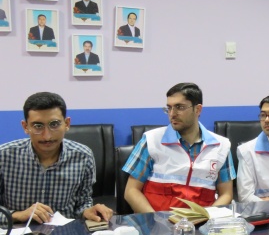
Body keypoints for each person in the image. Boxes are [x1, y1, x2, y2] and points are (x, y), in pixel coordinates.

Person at [0, 92, 113, 224]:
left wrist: (88, 211)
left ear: (67, 124)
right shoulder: (4, 156)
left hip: (66, 233)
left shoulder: (83, 157)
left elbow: (82, 204)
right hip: (17, 233)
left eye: (54, 124)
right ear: (26, 127)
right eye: (38, 126)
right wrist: (18, 215)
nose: (47, 136)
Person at [123, 82, 235, 212]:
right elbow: (131, 191)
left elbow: (226, 194)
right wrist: (155, 220)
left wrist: (208, 217)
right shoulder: (151, 140)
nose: (172, 114)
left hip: (202, 221)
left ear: (198, 109)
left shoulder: (220, 146)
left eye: (179, 107)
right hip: (157, 220)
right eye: (169, 108)